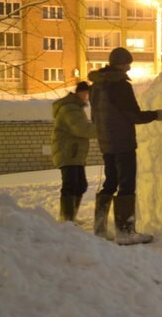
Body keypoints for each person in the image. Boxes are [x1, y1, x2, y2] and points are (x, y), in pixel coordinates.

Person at [88, 47, 162, 245]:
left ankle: (100, 227)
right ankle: (125, 231)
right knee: (126, 183)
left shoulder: (97, 86)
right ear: (121, 64)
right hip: (122, 141)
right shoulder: (120, 86)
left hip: (106, 141)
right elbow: (133, 115)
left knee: (110, 182)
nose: (129, 66)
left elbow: (94, 115)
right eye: (127, 63)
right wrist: (157, 115)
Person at [51, 81, 97, 222]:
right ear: (79, 92)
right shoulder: (70, 108)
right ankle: (67, 219)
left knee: (80, 185)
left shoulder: (75, 108)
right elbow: (81, 129)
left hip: (74, 153)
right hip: (68, 152)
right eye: (85, 93)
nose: (87, 97)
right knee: (70, 184)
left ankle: (70, 217)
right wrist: (103, 130)